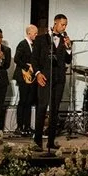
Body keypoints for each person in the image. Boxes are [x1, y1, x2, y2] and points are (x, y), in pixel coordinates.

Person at [31, 14, 72, 152]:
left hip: (59, 79)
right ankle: (37, 142)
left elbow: (68, 61)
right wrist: (38, 73)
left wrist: (69, 48)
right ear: (55, 23)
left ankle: (50, 141)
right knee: (42, 108)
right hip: (44, 77)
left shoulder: (64, 40)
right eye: (62, 24)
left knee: (54, 110)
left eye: (66, 25)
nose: (64, 27)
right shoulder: (41, 39)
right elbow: (34, 59)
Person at [13, 24, 38, 136]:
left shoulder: (34, 45)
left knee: (29, 101)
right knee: (23, 101)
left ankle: (27, 126)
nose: (36, 35)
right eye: (35, 33)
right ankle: (19, 126)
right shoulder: (22, 44)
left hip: (31, 77)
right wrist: (28, 67)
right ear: (29, 33)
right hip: (23, 76)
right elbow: (17, 59)